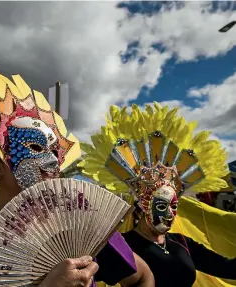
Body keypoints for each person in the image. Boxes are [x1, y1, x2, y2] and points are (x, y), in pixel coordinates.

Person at [0, 57, 154, 287]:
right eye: (35, 148)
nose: (51, 163)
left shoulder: (82, 230)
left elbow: (144, 277)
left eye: (56, 153)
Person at [78, 102, 236, 287]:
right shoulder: (124, 245)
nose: (170, 214)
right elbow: (86, 277)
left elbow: (228, 268)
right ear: (144, 205)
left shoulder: (181, 242)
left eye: (174, 206)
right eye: (161, 206)